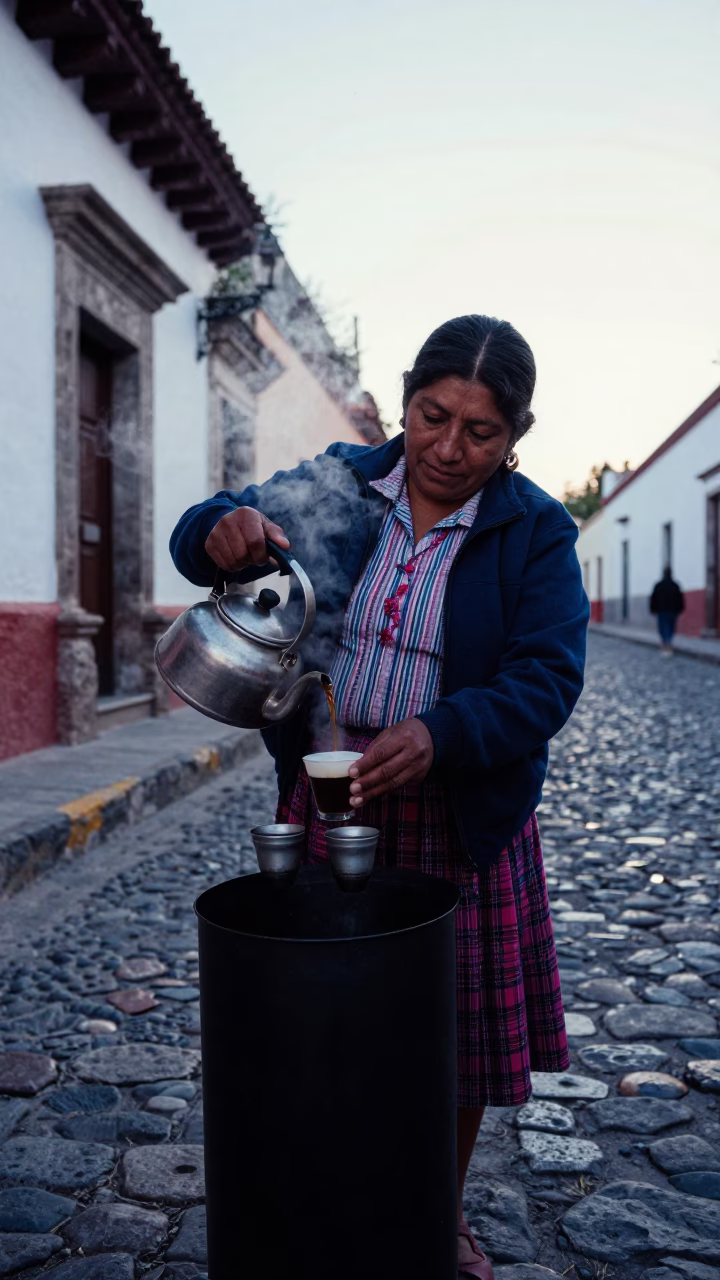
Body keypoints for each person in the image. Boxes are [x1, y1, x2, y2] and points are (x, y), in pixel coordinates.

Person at [171, 314, 589, 1278]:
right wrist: (217, 531)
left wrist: (443, 734)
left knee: (452, 1030)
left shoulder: (535, 530)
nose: (448, 447)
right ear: (406, 401)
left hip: (456, 809)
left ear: (516, 436)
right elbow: (208, 531)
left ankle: (434, 1210)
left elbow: (546, 679)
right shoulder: (342, 482)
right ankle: (328, 1188)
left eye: (481, 432)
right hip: (331, 787)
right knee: (321, 1012)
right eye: (432, 415)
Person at [650, 567, 685, 655]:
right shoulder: (675, 585)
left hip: (661, 610)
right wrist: (680, 609)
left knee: (663, 628)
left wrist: (653, 609)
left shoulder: (658, 585)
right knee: (671, 627)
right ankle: (668, 643)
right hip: (673, 610)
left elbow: (653, 598)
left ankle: (665, 645)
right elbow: (680, 598)